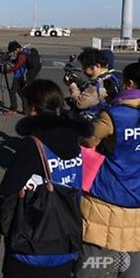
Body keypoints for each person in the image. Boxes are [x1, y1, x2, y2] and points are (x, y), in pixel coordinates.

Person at [0, 79, 92, 278]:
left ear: (33, 107)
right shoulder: (74, 137)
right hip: (67, 231)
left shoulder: (33, 144)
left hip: (33, 240)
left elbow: (8, 188)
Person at [78, 61, 140, 278]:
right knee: (132, 251)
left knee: (92, 250)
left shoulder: (116, 114)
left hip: (108, 191)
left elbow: (88, 139)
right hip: (137, 195)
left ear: (129, 84)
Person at [66, 47, 122, 115]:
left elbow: (81, 103)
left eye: (85, 67)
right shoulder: (117, 75)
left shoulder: (99, 83)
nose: (83, 70)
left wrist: (72, 86)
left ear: (97, 66)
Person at [3, 41, 27, 116]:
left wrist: (7, 71)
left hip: (19, 76)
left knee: (12, 91)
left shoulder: (22, 55)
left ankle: (13, 109)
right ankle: (26, 109)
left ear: (16, 49)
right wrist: (9, 60)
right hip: (23, 76)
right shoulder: (22, 54)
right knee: (21, 92)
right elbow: (16, 62)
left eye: (13, 51)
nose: (13, 52)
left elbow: (17, 66)